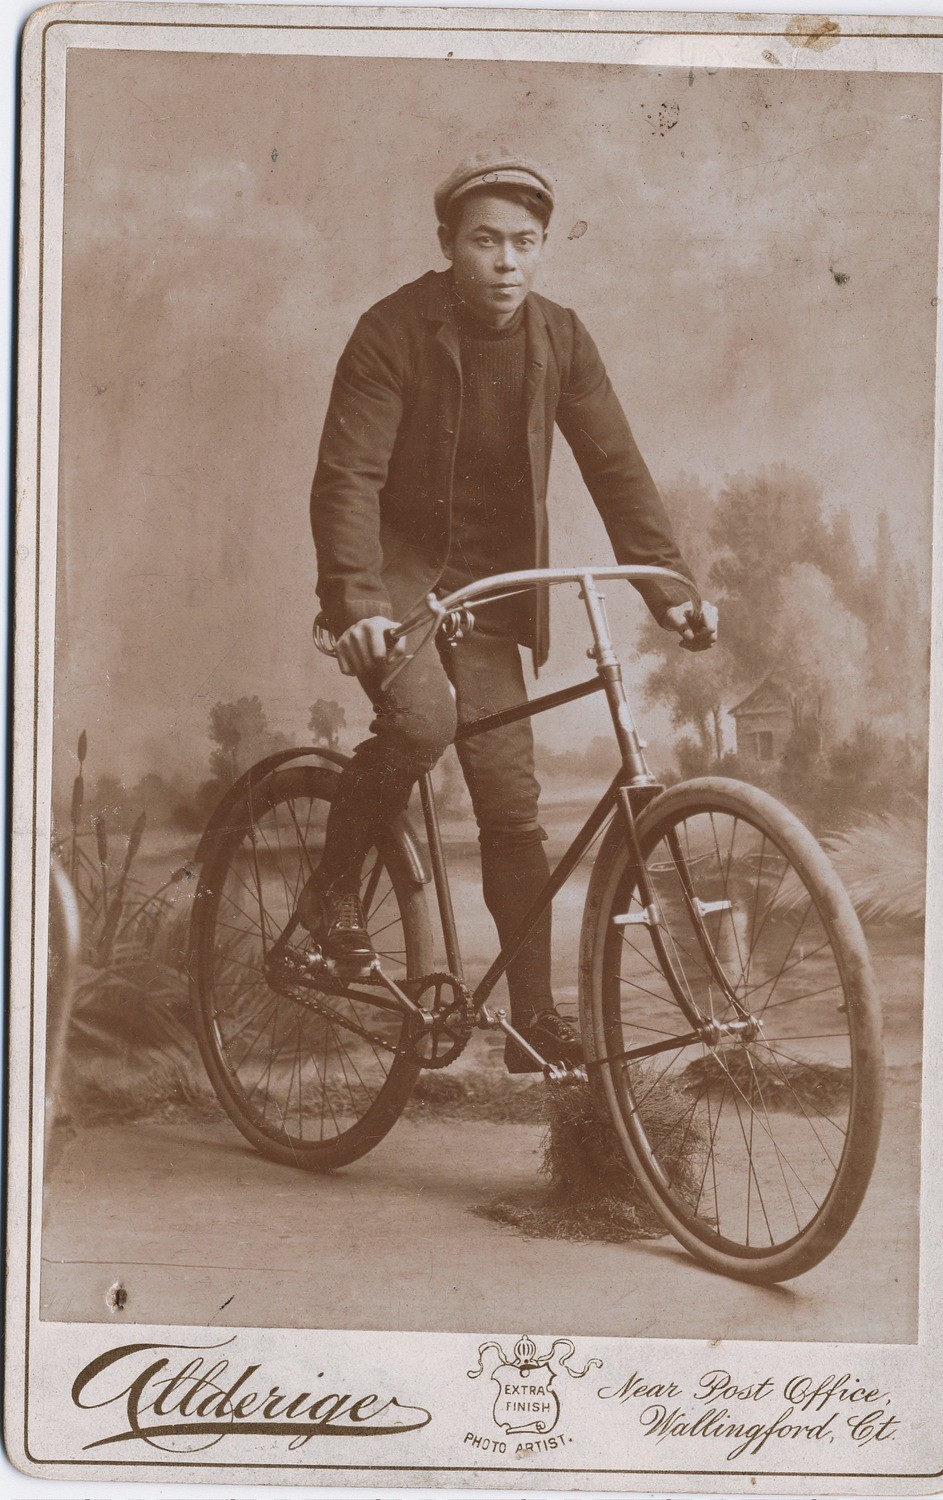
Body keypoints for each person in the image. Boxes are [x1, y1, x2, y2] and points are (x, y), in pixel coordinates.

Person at [304, 152, 718, 1072]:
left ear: (541, 249)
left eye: (524, 244)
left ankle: (531, 1022)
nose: (506, 263)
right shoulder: (390, 331)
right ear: (448, 244)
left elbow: (616, 470)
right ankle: (327, 899)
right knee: (420, 721)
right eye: (485, 241)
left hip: (494, 586)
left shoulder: (560, 338)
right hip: (395, 571)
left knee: (509, 802)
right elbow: (347, 478)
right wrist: (358, 598)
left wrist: (671, 588)